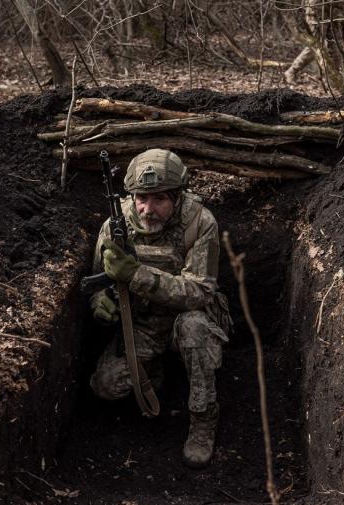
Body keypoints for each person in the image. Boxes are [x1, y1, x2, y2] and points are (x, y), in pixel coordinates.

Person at [88, 148, 231, 468]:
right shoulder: (115, 224)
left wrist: (137, 276)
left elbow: (198, 292)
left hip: (189, 317)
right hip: (143, 320)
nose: (147, 209)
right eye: (141, 198)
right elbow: (97, 280)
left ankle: (203, 418)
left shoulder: (199, 222)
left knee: (194, 330)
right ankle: (156, 370)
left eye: (159, 199)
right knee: (107, 385)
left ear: (178, 197)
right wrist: (102, 302)